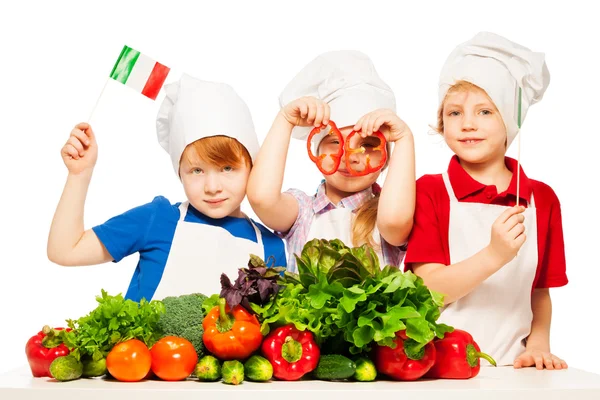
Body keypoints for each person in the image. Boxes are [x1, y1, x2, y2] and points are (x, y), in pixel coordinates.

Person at [404, 32, 568, 369]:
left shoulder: (543, 200)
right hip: (440, 369)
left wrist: (537, 346)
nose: (467, 125)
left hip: (515, 370)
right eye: (454, 113)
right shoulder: (430, 191)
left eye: (484, 112)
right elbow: (428, 287)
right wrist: (494, 254)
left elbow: (539, 291)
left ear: (509, 118)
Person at [47, 73, 286, 301]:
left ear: (251, 167)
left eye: (227, 169)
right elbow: (65, 251)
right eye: (197, 171)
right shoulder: (157, 219)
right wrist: (80, 174)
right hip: (140, 346)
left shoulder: (271, 248)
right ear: (179, 172)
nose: (212, 187)